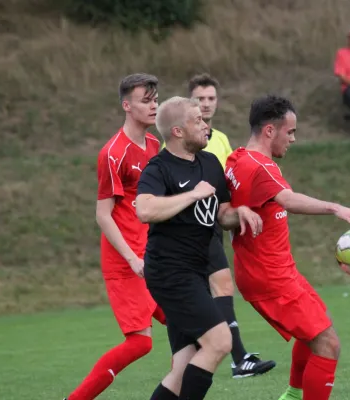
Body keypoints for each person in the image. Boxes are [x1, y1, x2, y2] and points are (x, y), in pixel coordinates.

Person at [224, 95, 350, 400]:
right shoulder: (261, 167)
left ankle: (290, 396)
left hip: (273, 270)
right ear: (270, 131)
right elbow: (287, 199)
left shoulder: (237, 158)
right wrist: (335, 208)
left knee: (315, 330)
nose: (293, 139)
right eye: (290, 132)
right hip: (270, 277)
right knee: (328, 344)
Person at [135, 96, 264, 400]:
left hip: (195, 272)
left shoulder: (209, 162)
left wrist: (240, 213)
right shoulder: (159, 168)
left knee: (183, 367)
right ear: (178, 131)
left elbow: (221, 214)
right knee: (219, 342)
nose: (207, 125)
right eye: (198, 121)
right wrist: (192, 195)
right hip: (169, 273)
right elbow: (144, 209)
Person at [64, 73, 166, 400]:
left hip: (153, 259)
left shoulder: (153, 144)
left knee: (197, 328)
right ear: (126, 105)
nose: (154, 106)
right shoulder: (113, 153)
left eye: (155, 99)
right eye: (145, 100)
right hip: (126, 263)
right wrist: (133, 258)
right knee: (141, 342)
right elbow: (103, 215)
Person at [187, 72, 276, 378]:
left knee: (214, 291)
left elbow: (230, 183)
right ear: (190, 102)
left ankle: (226, 355)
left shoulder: (221, 139)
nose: (206, 104)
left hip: (215, 223)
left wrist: (239, 210)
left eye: (211, 98)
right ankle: (236, 358)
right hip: (191, 229)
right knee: (215, 289)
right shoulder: (179, 140)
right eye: (200, 99)